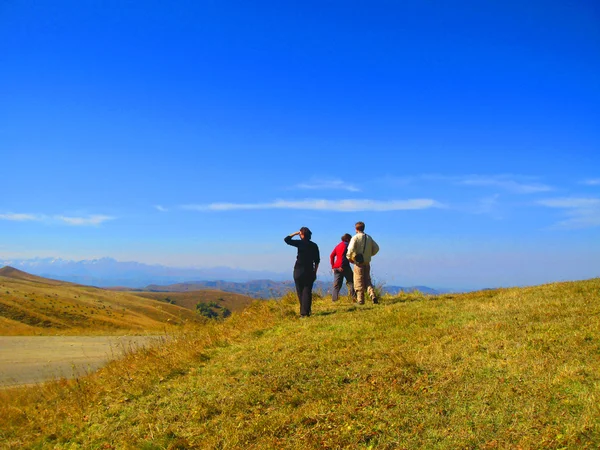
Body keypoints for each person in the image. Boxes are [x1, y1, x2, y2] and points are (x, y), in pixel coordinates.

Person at [284, 227, 320, 317]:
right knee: (307, 291)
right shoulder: (314, 245)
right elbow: (317, 260)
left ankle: (304, 312)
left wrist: (295, 233)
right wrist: (315, 272)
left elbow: (286, 239)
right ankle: (305, 311)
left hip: (298, 270)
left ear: (302, 234)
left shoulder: (300, 243)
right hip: (309, 270)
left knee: (300, 292)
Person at [347, 221, 380, 305]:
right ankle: (372, 294)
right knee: (367, 280)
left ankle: (360, 300)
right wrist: (369, 255)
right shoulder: (369, 237)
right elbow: (376, 248)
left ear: (356, 229)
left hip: (358, 263)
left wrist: (349, 258)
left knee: (358, 281)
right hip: (367, 262)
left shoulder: (355, 238)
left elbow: (350, 250)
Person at [330, 233, 356, 302]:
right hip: (344, 266)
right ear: (348, 239)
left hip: (336, 267)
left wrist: (333, 266)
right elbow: (343, 256)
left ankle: (334, 300)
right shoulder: (347, 245)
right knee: (351, 281)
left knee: (337, 285)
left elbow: (332, 255)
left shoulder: (338, 245)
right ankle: (353, 298)